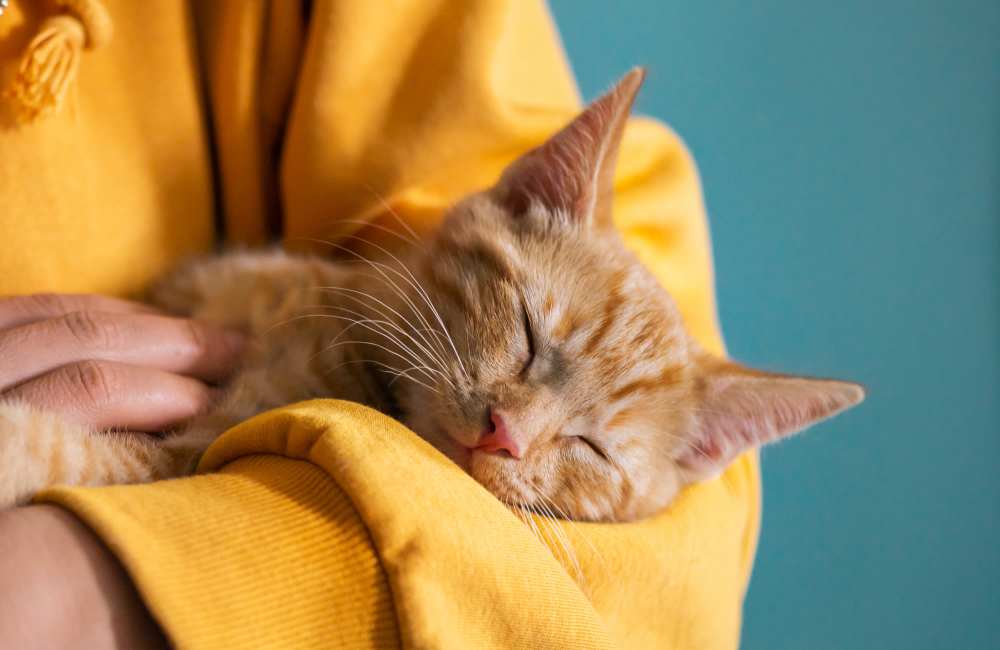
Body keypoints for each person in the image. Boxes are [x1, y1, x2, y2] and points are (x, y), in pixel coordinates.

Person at [0, 2, 760, 648]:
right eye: (526, 340)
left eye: (593, 448)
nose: (512, 431)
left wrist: (87, 579)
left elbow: (665, 585)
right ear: (527, 197)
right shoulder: (345, 324)